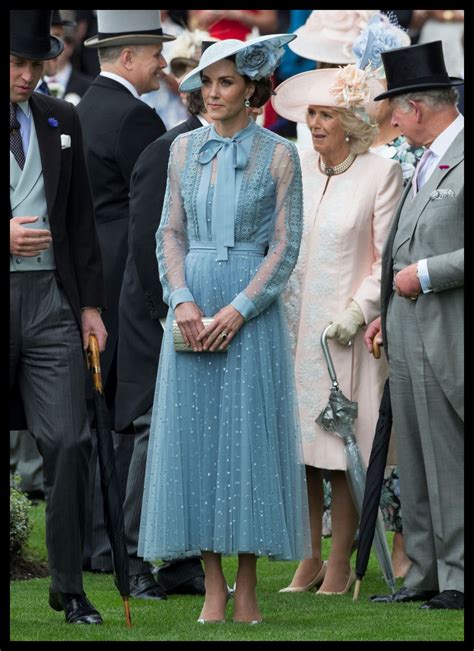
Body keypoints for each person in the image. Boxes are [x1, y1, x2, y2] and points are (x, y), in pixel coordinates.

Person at [138, 34, 311, 624]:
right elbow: (169, 233)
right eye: (207, 83)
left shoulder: (281, 155)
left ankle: (248, 586)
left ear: (251, 89)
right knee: (196, 445)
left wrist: (240, 307)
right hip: (190, 306)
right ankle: (212, 586)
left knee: (248, 444)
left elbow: (285, 248)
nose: (212, 93)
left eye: (226, 82)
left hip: (249, 311)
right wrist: (181, 300)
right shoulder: (182, 152)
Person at [272, 63, 403, 595]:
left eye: (327, 114)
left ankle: (342, 562)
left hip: (346, 336)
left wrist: (359, 309)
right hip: (291, 328)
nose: (316, 123)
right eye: (312, 114)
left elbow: (386, 256)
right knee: (301, 450)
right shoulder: (297, 165)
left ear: (351, 120)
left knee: (342, 447)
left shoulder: (381, 172)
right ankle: (308, 560)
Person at [76, 10, 179, 599]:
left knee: (105, 409)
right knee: (128, 413)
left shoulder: (85, 107)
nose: (162, 64)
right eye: (155, 53)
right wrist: (159, 292)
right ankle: (118, 543)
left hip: (94, 270)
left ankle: (98, 540)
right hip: (126, 279)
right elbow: (151, 213)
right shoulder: (135, 115)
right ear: (130, 57)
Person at [10, 9, 107, 624]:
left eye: (36, 65)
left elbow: (80, 222)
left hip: (52, 301)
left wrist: (91, 307)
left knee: (69, 440)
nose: (27, 77)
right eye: (17, 65)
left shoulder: (60, 117)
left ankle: (68, 588)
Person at [113, 33, 215, 598]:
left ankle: (177, 561)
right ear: (197, 98)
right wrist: (172, 315)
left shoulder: (228, 150)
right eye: (211, 89)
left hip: (203, 315)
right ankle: (133, 559)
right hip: (157, 316)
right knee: (153, 435)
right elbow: (148, 244)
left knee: (192, 438)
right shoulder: (166, 151)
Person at [365, 40, 464, 610]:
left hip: (447, 331)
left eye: (395, 110)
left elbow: (427, 257)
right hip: (406, 329)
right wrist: (384, 310)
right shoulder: (422, 158)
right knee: (419, 457)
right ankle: (423, 572)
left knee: (449, 456)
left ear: (419, 107)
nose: (392, 122)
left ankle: (457, 576)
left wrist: (424, 274)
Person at [353, 11, 419, 580]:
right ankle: (362, 547)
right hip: (373, 301)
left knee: (400, 430)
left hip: (407, 298)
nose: (365, 89)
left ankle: (404, 546)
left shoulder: (413, 154)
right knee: (372, 425)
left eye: (371, 80)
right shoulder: (361, 148)